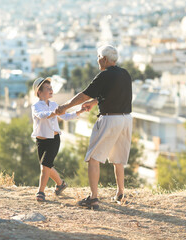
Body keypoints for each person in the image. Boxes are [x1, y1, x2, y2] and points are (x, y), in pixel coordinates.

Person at [55, 45, 133, 209]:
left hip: (109, 119)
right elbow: (113, 95)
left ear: (104, 59)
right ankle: (120, 193)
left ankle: (93, 198)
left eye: (98, 56)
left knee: (93, 158)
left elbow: (83, 94)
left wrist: (65, 107)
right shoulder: (125, 74)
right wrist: (94, 102)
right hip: (126, 119)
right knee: (118, 159)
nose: (97, 60)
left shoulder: (104, 75)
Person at [31, 77, 85, 202]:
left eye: (51, 88)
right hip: (41, 141)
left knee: (45, 166)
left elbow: (66, 116)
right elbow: (42, 116)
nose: (51, 90)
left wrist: (79, 111)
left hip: (54, 140)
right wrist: (55, 113)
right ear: (39, 92)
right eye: (47, 88)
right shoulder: (36, 106)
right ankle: (61, 184)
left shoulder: (55, 105)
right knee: (46, 166)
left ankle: (41, 192)